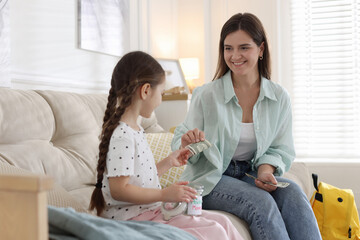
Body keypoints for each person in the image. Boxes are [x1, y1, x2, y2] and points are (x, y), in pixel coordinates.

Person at [171, 13, 322, 240]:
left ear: (261, 49)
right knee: (260, 203)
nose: (235, 56)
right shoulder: (206, 95)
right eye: (228, 48)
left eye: (244, 47)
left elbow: (280, 148)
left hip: (249, 172)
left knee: (293, 194)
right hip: (212, 177)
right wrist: (185, 142)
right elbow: (182, 143)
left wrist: (265, 170)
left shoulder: (278, 97)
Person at [89, 51, 244, 240]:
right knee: (214, 231)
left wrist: (168, 162)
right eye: (161, 93)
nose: (161, 100)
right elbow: (119, 190)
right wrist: (164, 194)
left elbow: (137, 180)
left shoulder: (135, 130)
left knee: (223, 223)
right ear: (146, 90)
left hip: (148, 213)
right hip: (133, 220)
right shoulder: (122, 136)